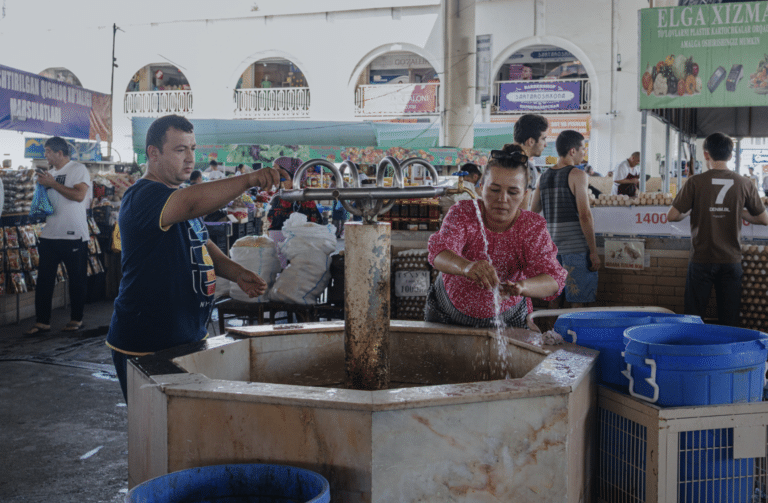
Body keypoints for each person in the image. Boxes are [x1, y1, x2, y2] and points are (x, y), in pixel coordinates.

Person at [106, 115, 282, 401]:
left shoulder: (175, 196)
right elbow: (191, 203)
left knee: (184, 428)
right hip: (148, 340)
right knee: (157, 432)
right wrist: (249, 179)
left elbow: (201, 242)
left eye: (192, 149)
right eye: (180, 150)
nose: (190, 158)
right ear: (153, 153)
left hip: (188, 333)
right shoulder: (144, 195)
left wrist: (235, 272)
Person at [425, 144, 567, 328]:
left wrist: (522, 287)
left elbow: (553, 279)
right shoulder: (464, 213)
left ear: (524, 194)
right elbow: (439, 253)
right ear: (481, 187)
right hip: (447, 311)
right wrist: (466, 267)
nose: (502, 199)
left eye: (513, 192)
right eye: (494, 190)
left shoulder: (531, 227)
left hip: (509, 316)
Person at [667, 132, 768, 327]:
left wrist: (689, 212)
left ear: (706, 154)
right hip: (731, 259)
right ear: (730, 156)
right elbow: (764, 219)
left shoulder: (695, 182)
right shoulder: (745, 183)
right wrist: (739, 212)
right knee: (729, 319)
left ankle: (693, 354)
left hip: (701, 258)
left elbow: (672, 215)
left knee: (693, 317)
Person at [24, 137, 92, 335]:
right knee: (44, 280)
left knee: (76, 280)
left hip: (74, 235)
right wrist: (42, 189)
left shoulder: (77, 169)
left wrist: (52, 184)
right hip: (49, 234)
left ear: (59, 153)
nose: (45, 155)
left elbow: (79, 196)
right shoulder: (50, 173)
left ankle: (76, 319)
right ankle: (42, 321)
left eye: (47, 151)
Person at [531, 130, 600, 308]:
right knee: (577, 300)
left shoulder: (543, 177)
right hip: (576, 248)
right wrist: (593, 251)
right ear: (572, 151)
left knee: (554, 297)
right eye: (582, 149)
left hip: (552, 249)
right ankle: (574, 336)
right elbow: (585, 215)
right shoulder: (578, 175)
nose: (584, 153)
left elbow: (533, 211)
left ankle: (552, 336)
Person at [511, 114, 549, 191]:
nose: (546, 145)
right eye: (543, 139)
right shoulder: (528, 169)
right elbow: (526, 203)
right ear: (531, 141)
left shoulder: (496, 161)